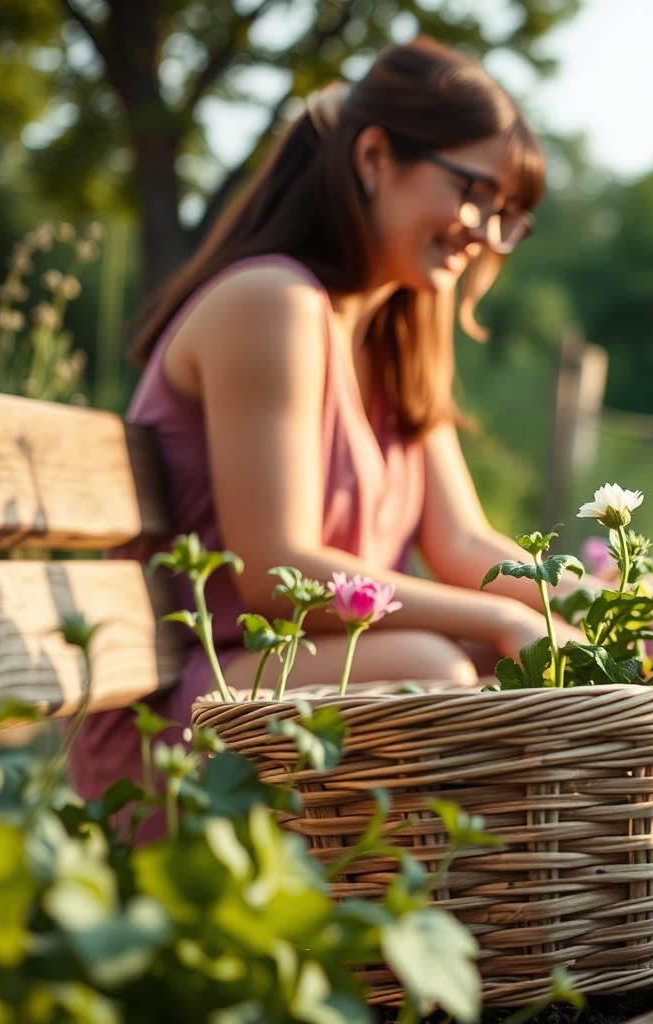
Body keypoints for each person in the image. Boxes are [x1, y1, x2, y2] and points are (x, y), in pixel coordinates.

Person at [75, 38, 574, 796]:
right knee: (435, 668)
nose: (484, 233)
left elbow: (464, 540)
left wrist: (627, 613)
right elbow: (279, 571)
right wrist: (500, 622)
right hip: (196, 719)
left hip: (307, 685)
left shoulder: (400, 336)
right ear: (375, 158)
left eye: (507, 216)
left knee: (482, 666)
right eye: (474, 192)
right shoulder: (272, 303)